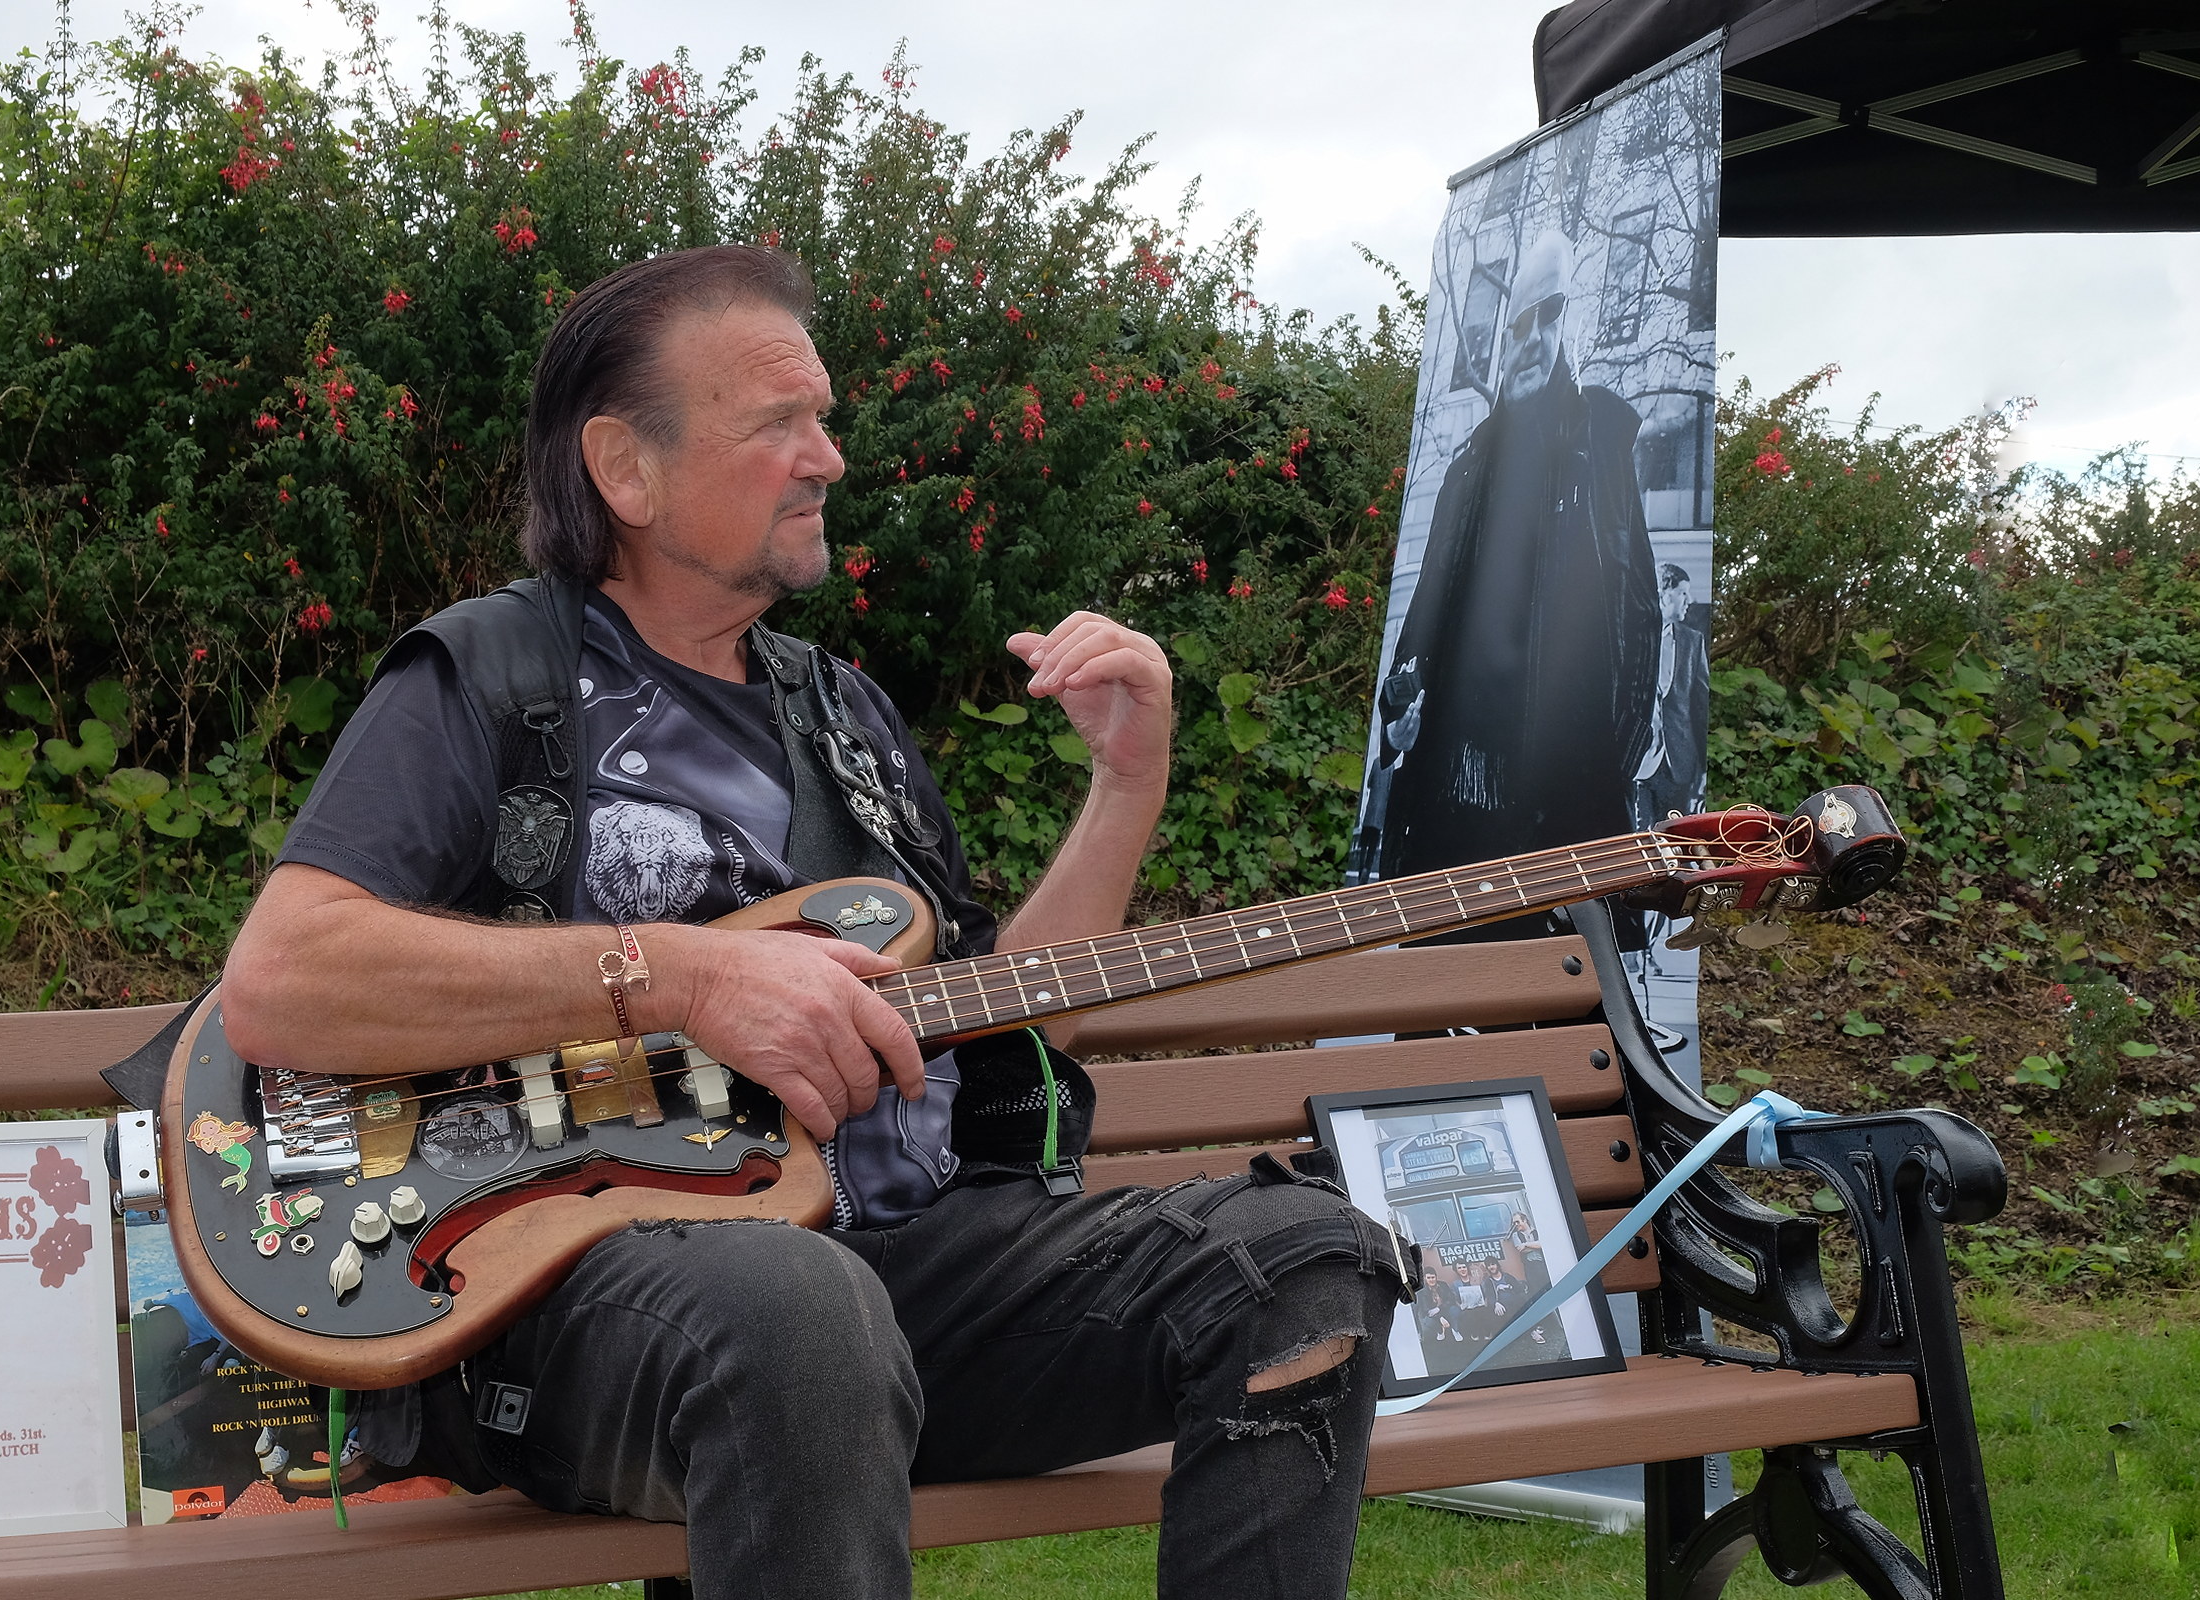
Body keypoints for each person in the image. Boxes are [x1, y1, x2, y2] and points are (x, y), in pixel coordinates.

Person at [217, 246, 1405, 1600]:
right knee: (796, 1311)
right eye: (778, 424)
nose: (828, 456)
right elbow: (282, 979)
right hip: (570, 1303)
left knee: (1304, 1252)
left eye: (822, 418)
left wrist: (1125, 786)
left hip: (894, 1275)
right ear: (626, 469)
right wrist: (683, 978)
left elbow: (1007, 1018)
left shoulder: (842, 714)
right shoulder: (491, 676)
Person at [1374, 228, 1660, 883]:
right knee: (1447, 963)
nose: (1531, 337)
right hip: (1448, 791)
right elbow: (1428, 601)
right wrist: (1399, 703)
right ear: (1500, 340)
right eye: (1517, 324)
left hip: (1562, 793)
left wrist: (1618, 757)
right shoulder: (1469, 464)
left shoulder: (1601, 436)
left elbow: (1637, 606)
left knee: (1558, 969)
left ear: (1564, 324)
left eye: (1548, 316)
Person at [1631, 564, 1708, 829]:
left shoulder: (1693, 642)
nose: (1689, 600)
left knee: (1678, 841)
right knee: (1639, 841)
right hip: (1638, 762)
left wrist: (1702, 767)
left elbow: (1701, 707)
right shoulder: (1632, 640)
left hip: (1680, 764)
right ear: (1665, 594)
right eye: (1683, 593)